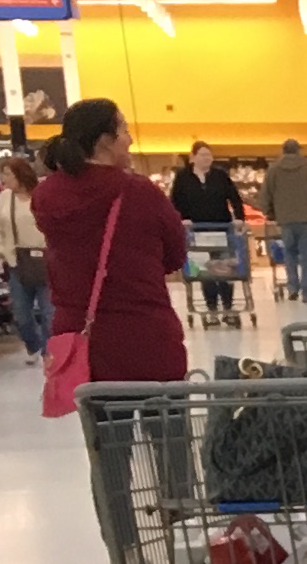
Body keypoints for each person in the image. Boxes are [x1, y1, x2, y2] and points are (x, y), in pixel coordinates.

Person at [29, 97, 189, 390]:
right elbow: (176, 255)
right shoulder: (139, 192)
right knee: (164, 416)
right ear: (105, 140)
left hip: (80, 337)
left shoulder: (46, 195)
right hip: (144, 335)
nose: (130, 139)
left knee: (102, 415)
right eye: (124, 130)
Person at [168, 139, 241, 324]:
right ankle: (212, 309)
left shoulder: (220, 176)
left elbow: (235, 197)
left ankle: (228, 307)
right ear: (193, 157)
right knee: (204, 271)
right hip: (197, 232)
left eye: (209, 155)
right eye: (203, 155)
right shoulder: (183, 177)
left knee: (225, 270)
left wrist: (239, 218)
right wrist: (181, 219)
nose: (207, 158)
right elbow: (174, 202)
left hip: (222, 230)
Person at [0, 148, 50, 363]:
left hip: (45, 259)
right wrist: (2, 250)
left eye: (8, 174)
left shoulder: (42, 194)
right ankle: (33, 345)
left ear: (21, 174)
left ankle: (47, 352)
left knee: (49, 313)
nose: (4, 179)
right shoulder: (4, 197)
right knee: (21, 315)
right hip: (17, 261)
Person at [264, 137, 307, 304]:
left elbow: (266, 194)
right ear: (298, 150)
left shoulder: (274, 169)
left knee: (289, 254)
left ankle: (293, 288)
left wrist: (271, 214)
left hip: (285, 220)